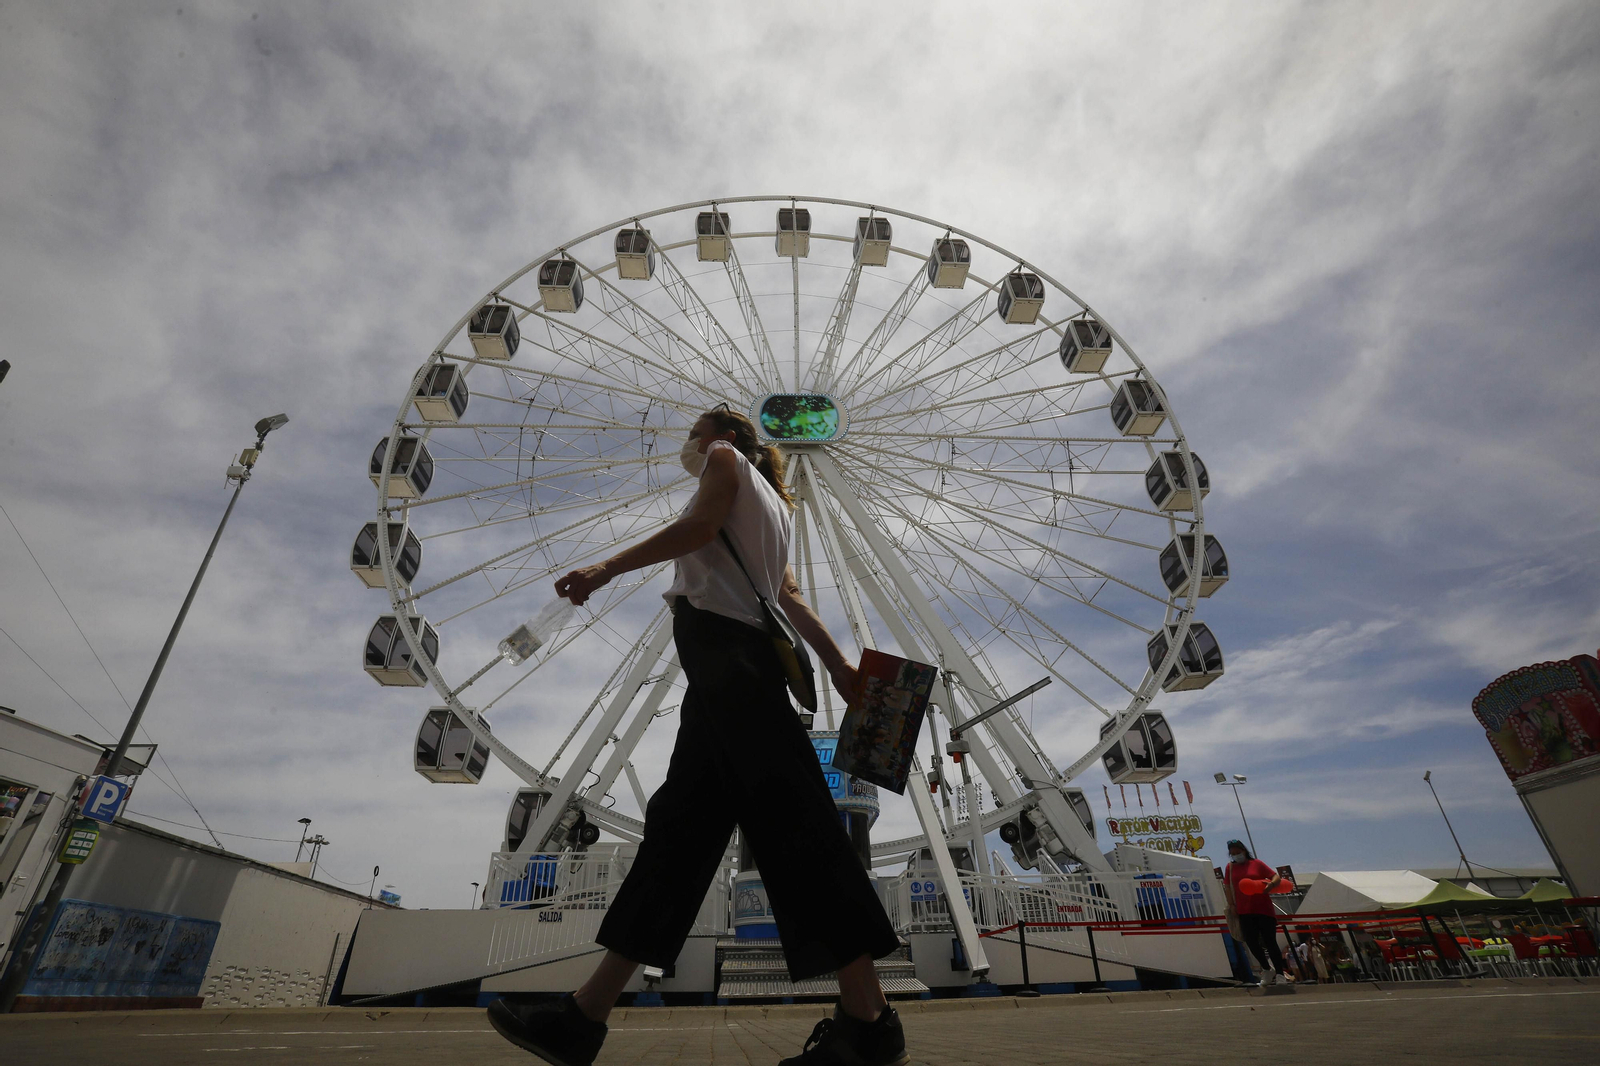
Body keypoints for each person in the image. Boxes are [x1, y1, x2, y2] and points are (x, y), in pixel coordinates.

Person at [487, 407, 908, 1066]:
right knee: (679, 837)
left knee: (798, 826)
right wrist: (838, 665)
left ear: (720, 435)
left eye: (697, 428)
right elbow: (788, 596)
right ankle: (583, 1015)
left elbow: (698, 528)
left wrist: (605, 570)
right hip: (737, 664)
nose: (689, 438)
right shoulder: (776, 503)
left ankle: (870, 1017)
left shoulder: (723, 461)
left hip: (727, 659)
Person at [1221, 839, 1290, 985]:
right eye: (1232, 853)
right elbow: (1227, 887)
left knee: (1270, 942)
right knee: (1251, 942)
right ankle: (1266, 968)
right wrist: (1231, 905)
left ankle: (1280, 974)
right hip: (1244, 910)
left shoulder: (1257, 864)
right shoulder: (1230, 868)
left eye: (1238, 852)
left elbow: (1275, 876)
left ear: (1244, 851)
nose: (1235, 855)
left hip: (1263, 908)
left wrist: (1271, 884)